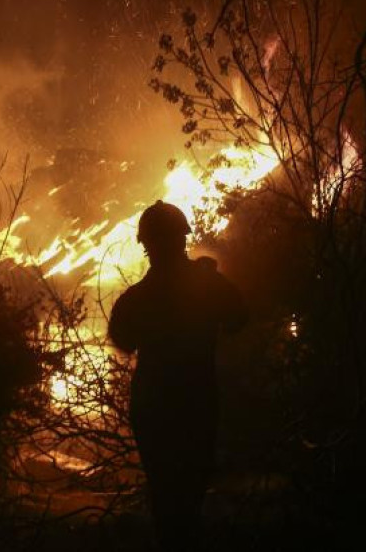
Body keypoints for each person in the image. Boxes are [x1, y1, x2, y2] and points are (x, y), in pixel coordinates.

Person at [108, 200, 247, 549]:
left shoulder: (136, 298)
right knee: (190, 494)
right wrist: (209, 279)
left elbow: (122, 339)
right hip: (197, 403)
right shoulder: (206, 285)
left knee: (166, 498)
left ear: (146, 245)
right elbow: (239, 320)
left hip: (153, 408)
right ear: (182, 239)